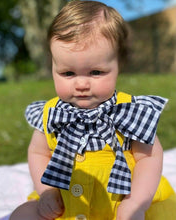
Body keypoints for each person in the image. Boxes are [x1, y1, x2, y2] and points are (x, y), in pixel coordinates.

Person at [10, 1, 176, 219]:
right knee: (22, 215)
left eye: (96, 72)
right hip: (67, 204)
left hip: (121, 204)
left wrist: (136, 202)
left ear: (119, 65)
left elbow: (149, 158)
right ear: (53, 66)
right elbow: (38, 152)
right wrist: (47, 192)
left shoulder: (128, 111)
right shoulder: (52, 114)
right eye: (68, 73)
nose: (81, 84)